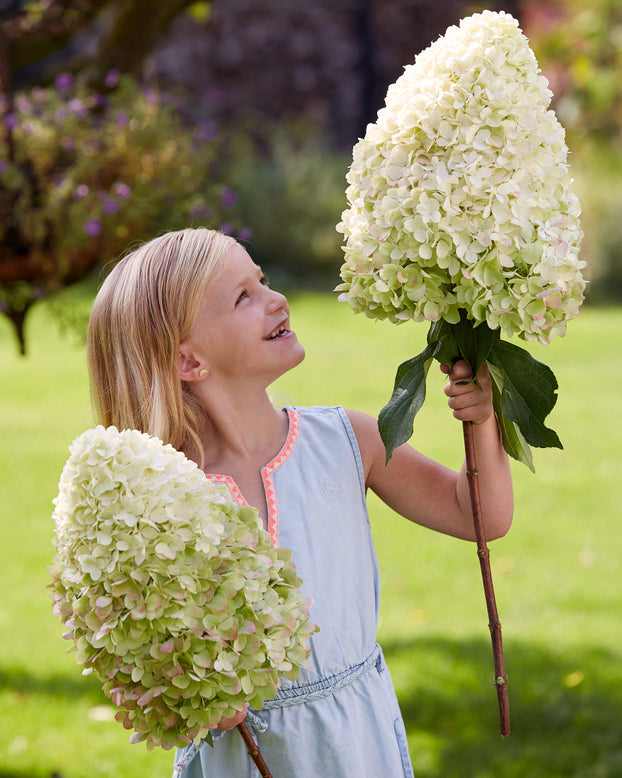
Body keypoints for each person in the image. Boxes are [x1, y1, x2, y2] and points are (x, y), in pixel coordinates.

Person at [87, 227, 513, 778]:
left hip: (358, 746)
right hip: (244, 760)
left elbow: (479, 516)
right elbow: (148, 655)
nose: (276, 299)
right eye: (243, 297)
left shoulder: (346, 440)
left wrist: (480, 423)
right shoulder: (167, 502)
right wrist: (200, 701)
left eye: (261, 281)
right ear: (189, 361)